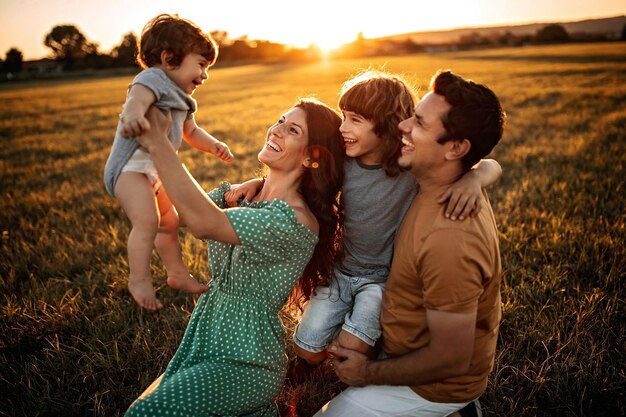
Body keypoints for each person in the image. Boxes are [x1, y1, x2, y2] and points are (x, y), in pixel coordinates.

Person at [227, 71, 501, 366]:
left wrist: (474, 180)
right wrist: (254, 184)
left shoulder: (408, 166)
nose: (343, 127)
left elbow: (490, 164)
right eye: (344, 116)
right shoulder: (344, 162)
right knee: (305, 348)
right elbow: (295, 180)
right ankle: (340, 333)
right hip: (341, 272)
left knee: (351, 349)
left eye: (355, 120)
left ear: (386, 126)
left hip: (381, 281)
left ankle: (366, 344)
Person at [124, 97, 345, 417]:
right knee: (139, 410)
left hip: (247, 361)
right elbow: (171, 218)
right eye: (281, 119)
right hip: (204, 340)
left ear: (312, 156)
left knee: (143, 414)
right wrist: (148, 170)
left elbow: (203, 222)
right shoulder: (244, 195)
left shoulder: (294, 220)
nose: (277, 129)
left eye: (293, 129)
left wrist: (159, 145)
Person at [315, 70, 506, 417]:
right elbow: (488, 164)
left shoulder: (451, 239)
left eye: (418, 122)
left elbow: (451, 358)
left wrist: (367, 372)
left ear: (456, 148)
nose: (402, 126)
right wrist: (478, 174)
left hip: (434, 385)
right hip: (396, 345)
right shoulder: (436, 181)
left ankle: (458, 411)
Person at [103, 14, 233, 310]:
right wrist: (134, 115)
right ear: (169, 58)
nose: (205, 75)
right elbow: (136, 99)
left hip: (155, 169)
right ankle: (138, 279)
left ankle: (177, 274)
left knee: (169, 222)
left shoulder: (185, 99)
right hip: (129, 169)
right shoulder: (153, 79)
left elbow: (191, 132)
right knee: (148, 221)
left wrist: (213, 146)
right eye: (201, 64)